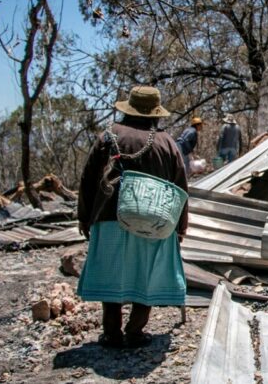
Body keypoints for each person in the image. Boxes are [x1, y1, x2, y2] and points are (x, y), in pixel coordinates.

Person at [77, 85, 188, 349]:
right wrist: (180, 226)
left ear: (128, 109)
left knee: (112, 275)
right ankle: (135, 331)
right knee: (145, 274)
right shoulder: (167, 143)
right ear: (156, 114)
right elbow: (180, 188)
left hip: (109, 217)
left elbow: (88, 179)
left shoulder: (109, 136)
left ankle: (112, 333)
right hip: (154, 221)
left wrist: (85, 217)